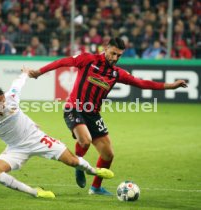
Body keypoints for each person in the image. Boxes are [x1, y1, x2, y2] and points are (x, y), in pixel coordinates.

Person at [26, 37, 188, 196]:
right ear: (106, 49)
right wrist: (40, 72)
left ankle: (96, 188)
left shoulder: (117, 73)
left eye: (119, 55)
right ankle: (78, 164)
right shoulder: (88, 59)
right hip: (73, 108)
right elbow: (62, 62)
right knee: (85, 139)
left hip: (93, 114)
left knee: (108, 154)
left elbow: (141, 83)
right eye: (113, 53)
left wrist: (170, 86)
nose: (115, 58)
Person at [0, 69, 114, 199]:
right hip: (16, 148)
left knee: (73, 161)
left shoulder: (11, 99)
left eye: (3, 99)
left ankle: (93, 170)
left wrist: (25, 73)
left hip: (37, 138)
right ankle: (35, 192)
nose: (3, 104)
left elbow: (18, 83)